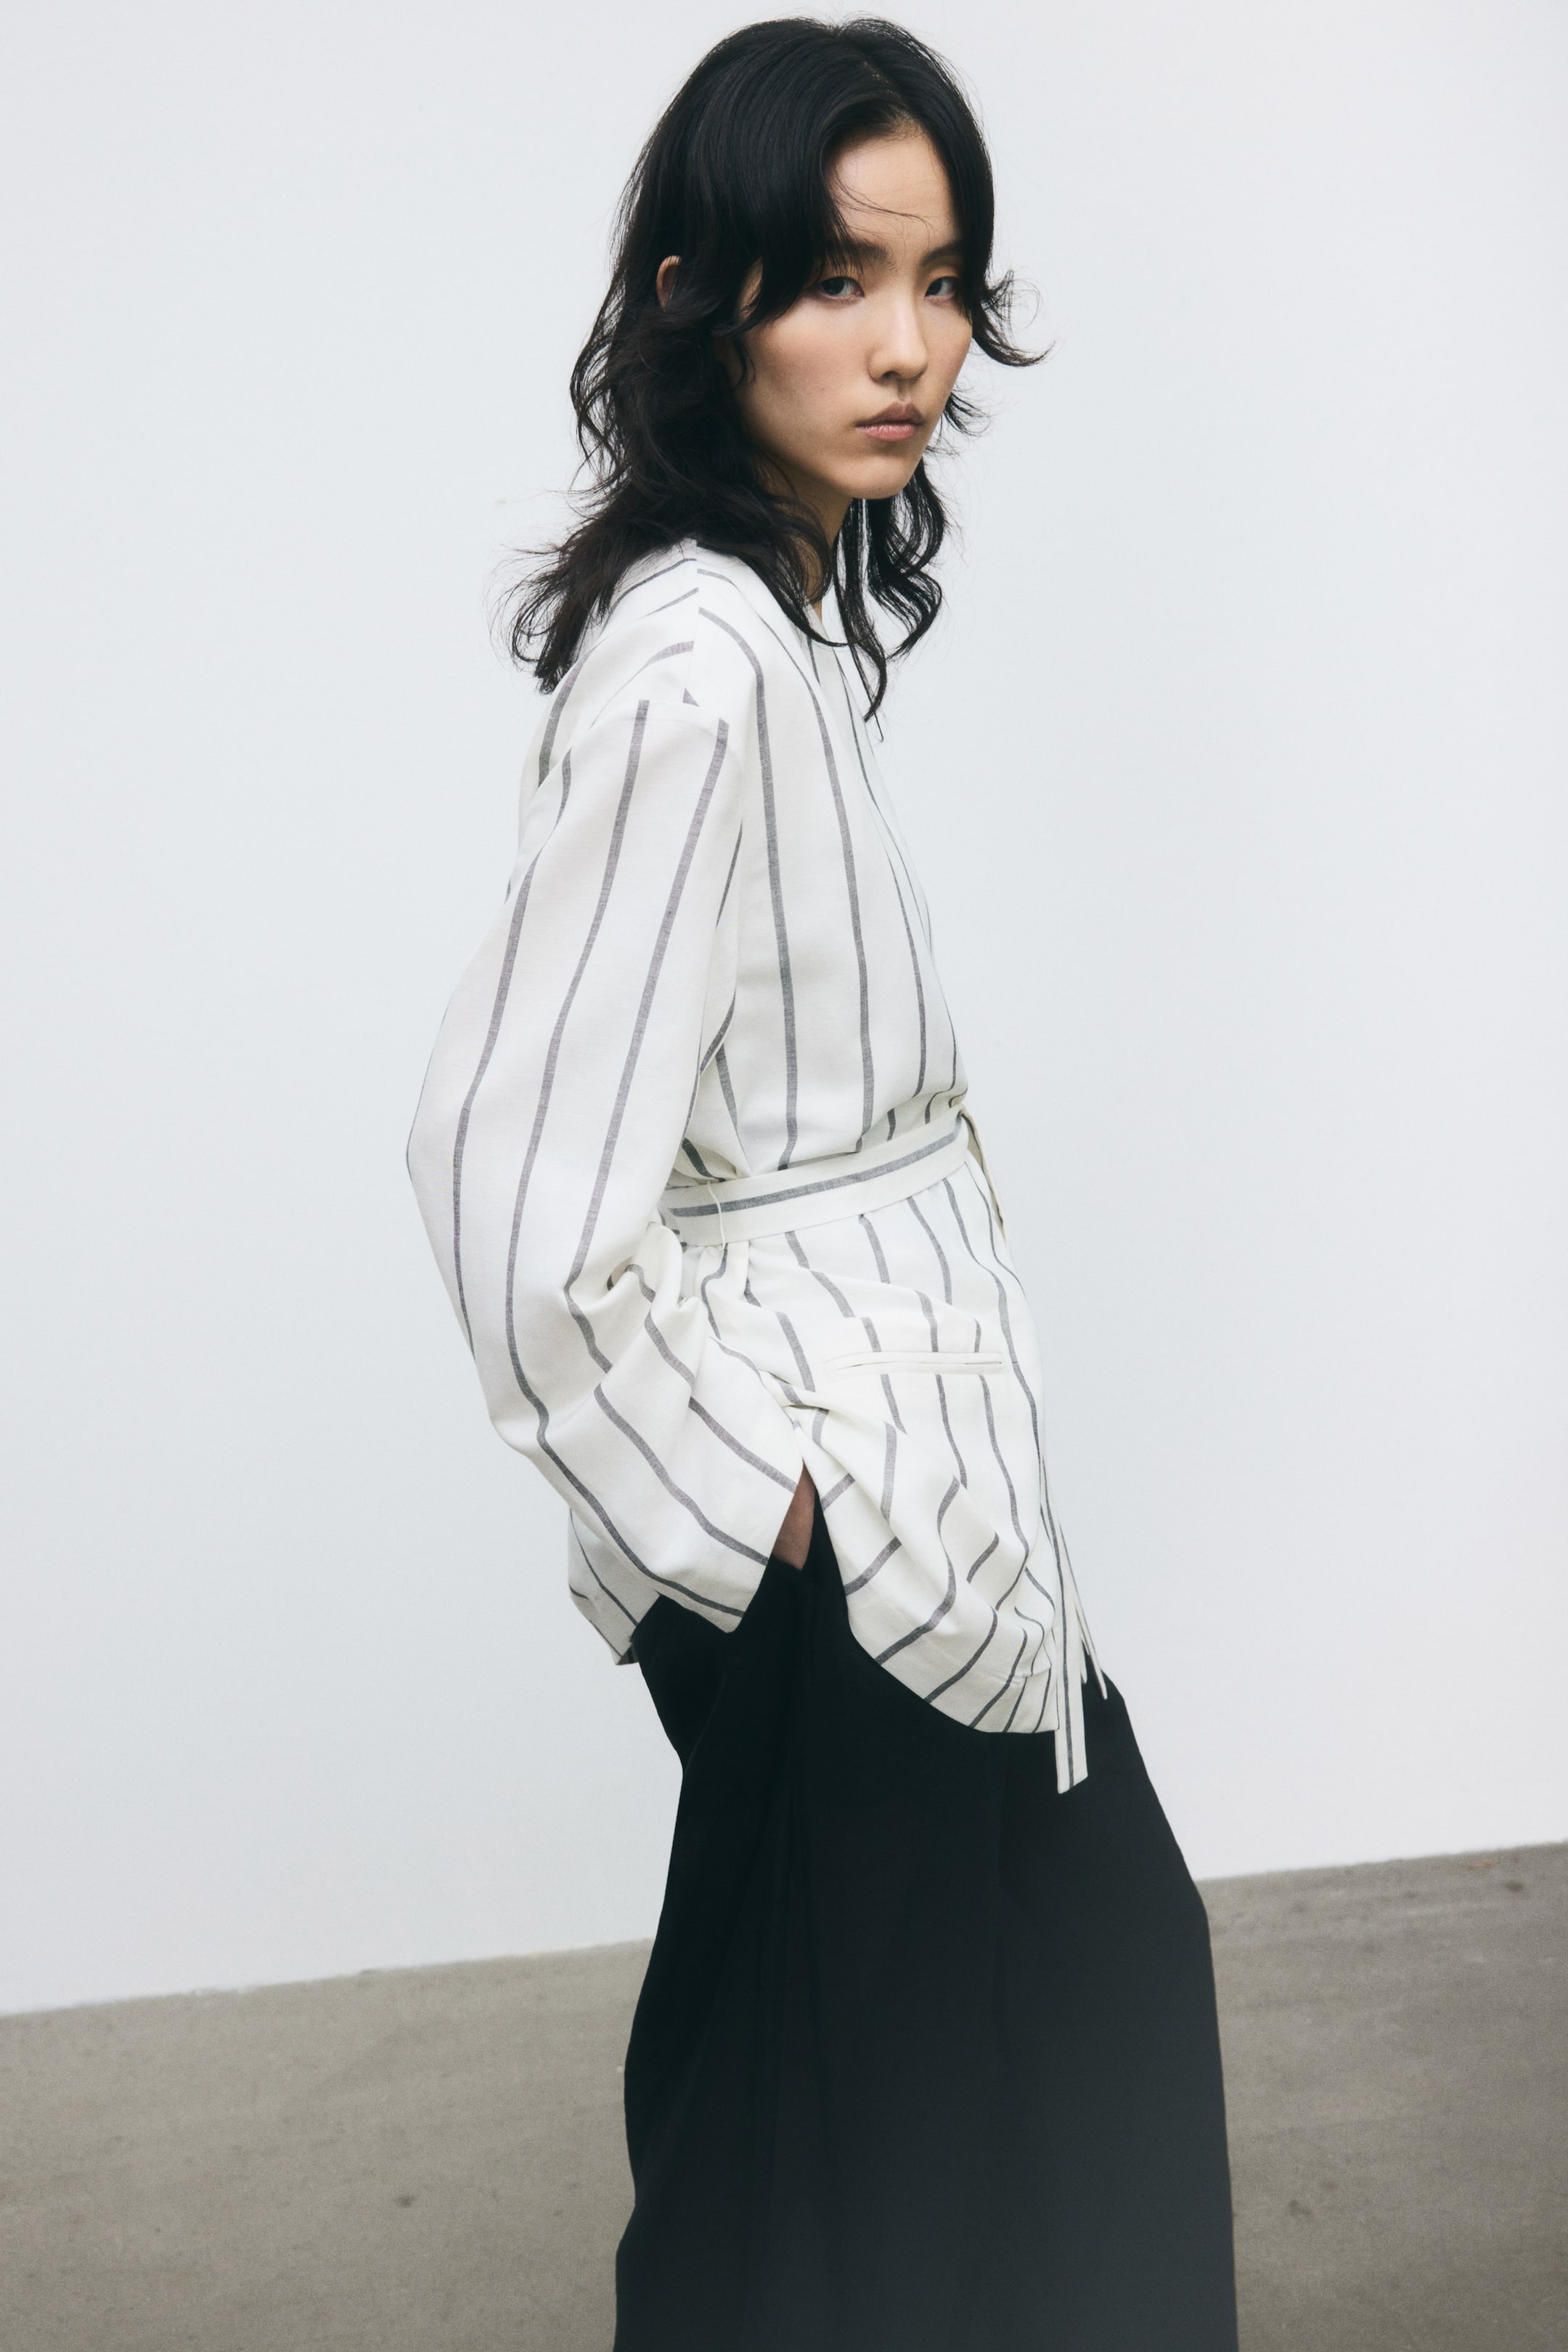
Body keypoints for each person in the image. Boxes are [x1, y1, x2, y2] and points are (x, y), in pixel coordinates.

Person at [407, 18, 1238, 2348]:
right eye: (840, 279)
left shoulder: (771, 625)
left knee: (1030, 2067)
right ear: (708, 296)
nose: (906, 348)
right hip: (855, 1534)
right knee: (829, 2175)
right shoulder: (696, 671)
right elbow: (503, 1169)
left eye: (942, 283)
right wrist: (767, 1516)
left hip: (934, 1505)